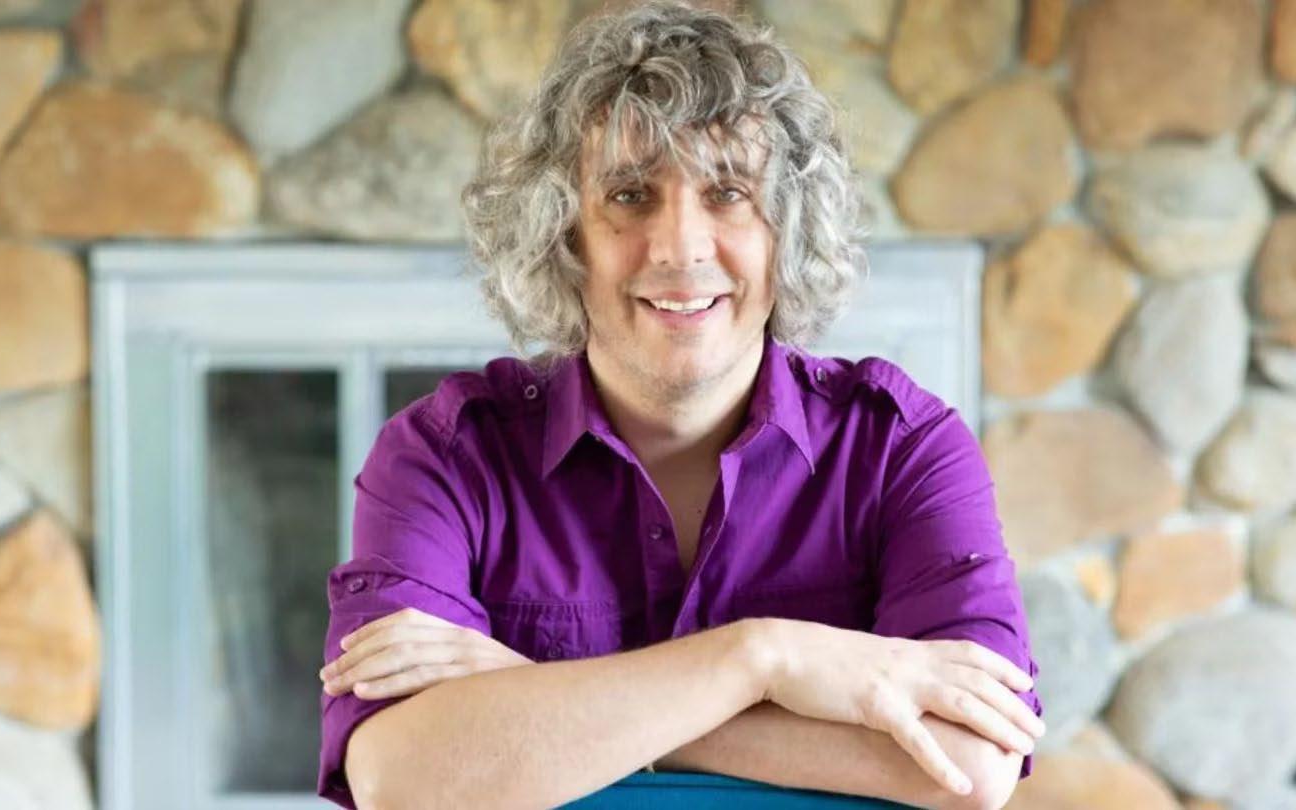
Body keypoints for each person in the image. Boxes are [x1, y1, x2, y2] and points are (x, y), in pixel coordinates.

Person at [316, 2, 1044, 808]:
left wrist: (549, 696)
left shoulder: (902, 448)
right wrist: (761, 661)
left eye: (728, 192)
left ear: (787, 229)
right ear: (565, 236)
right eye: (630, 194)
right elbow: (401, 778)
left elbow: (971, 763)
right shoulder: (444, 455)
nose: (680, 248)